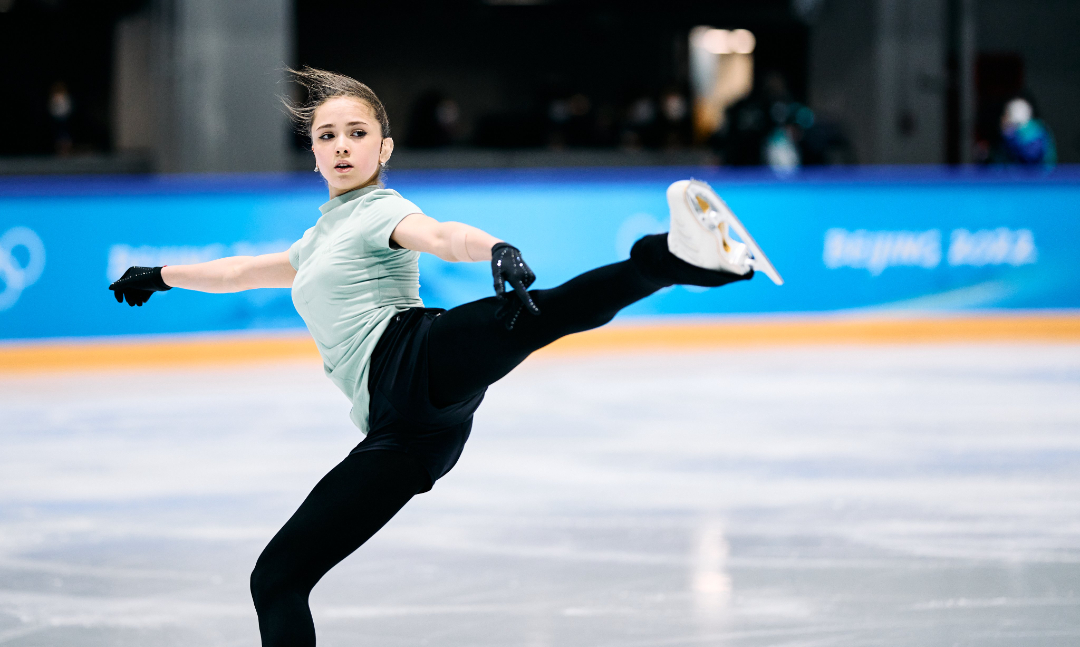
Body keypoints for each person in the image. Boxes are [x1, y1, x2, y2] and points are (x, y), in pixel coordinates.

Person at [107, 67, 766, 647]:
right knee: (276, 577)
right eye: (328, 134)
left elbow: (442, 236)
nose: (341, 145)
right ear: (312, 151)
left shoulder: (380, 210)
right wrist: (160, 274)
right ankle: (681, 262)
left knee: (538, 315)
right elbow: (242, 270)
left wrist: (494, 247)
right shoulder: (316, 241)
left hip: (416, 357)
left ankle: (674, 258)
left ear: (384, 147)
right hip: (404, 431)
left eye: (357, 132)